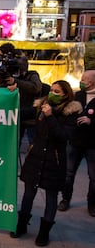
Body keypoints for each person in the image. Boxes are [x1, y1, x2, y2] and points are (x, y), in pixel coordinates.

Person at [10, 80, 82, 246]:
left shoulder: (71, 112)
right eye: (52, 90)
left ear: (66, 94)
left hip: (54, 161)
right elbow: (21, 113)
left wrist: (50, 116)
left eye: (57, 92)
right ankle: (21, 225)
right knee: (28, 194)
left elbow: (63, 136)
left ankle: (44, 232)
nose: (53, 94)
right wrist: (10, 95)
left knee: (51, 198)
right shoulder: (41, 105)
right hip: (35, 157)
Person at [58, 70, 95, 216]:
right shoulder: (77, 96)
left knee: (93, 177)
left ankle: (92, 204)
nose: (82, 80)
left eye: (85, 79)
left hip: (92, 144)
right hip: (75, 142)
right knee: (68, 173)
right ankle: (65, 199)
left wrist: (91, 121)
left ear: (92, 81)